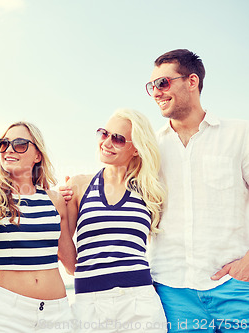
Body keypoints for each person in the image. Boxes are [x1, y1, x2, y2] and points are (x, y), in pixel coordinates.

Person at [145, 49, 249, 332]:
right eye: (151, 86)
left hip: (236, 287)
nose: (156, 92)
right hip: (172, 292)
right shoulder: (150, 147)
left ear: (192, 81)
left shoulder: (240, 134)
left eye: (163, 83)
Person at [0, 121, 76, 333]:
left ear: (37, 155)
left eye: (19, 144)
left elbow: (71, 265)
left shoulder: (55, 200)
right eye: (3, 144)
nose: (9, 149)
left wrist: (78, 201)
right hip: (5, 314)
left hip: (57, 313)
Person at [65, 109, 167, 333]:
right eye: (104, 133)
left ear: (137, 149)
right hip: (89, 304)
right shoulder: (78, 185)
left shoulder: (150, 191)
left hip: (140, 303)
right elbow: (64, 248)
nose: (107, 142)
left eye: (118, 139)